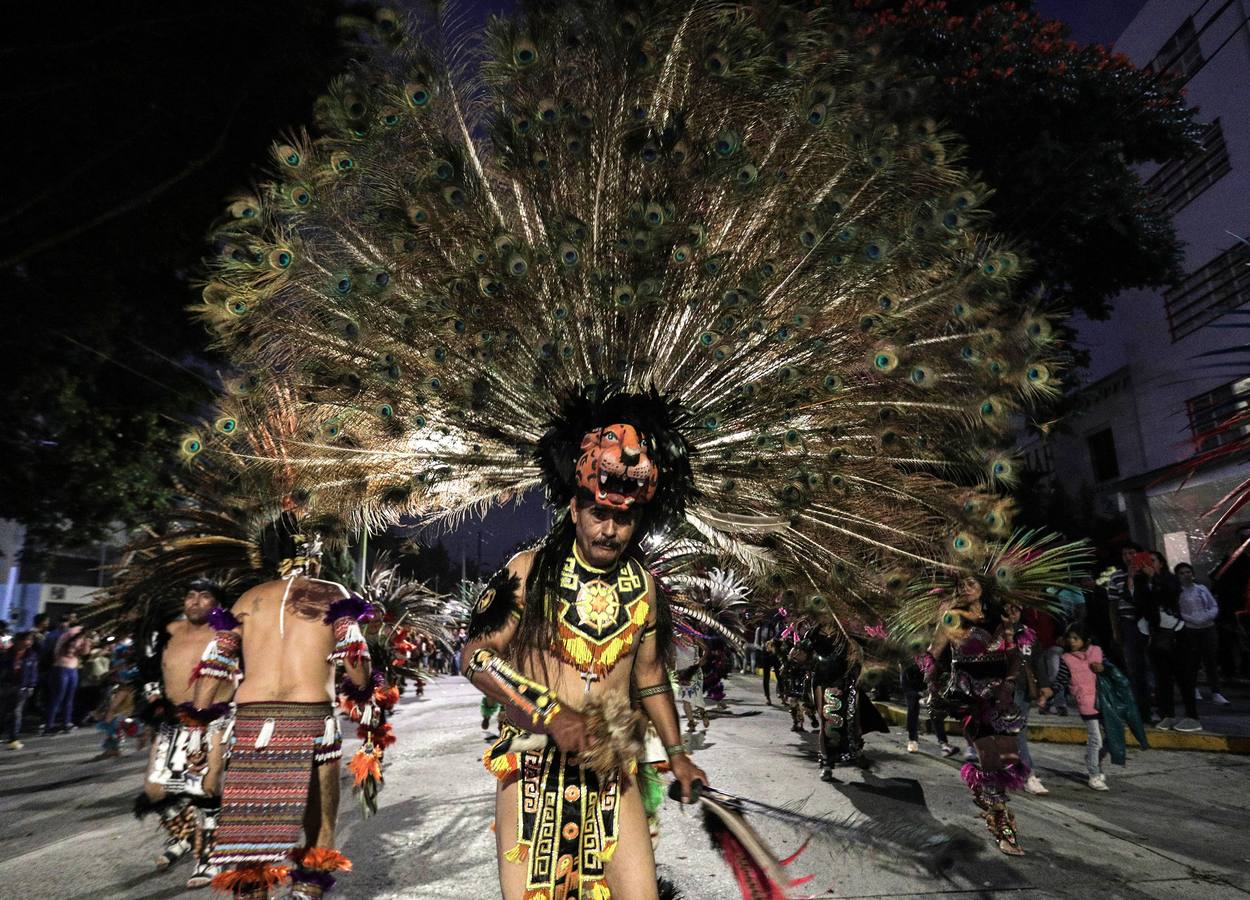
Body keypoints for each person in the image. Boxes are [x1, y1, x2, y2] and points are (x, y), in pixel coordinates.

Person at [463, 414, 707, 900]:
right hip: (533, 767)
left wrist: (678, 754)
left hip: (613, 769)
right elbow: (475, 655)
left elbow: (652, 675)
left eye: (624, 519)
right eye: (600, 514)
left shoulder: (644, 588)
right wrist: (550, 714)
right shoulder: (530, 571)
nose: (610, 531)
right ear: (575, 510)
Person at [189, 537, 373, 899]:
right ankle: (306, 891)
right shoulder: (330, 592)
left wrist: (198, 726)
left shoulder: (247, 599)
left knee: (250, 839)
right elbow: (356, 663)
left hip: (252, 722)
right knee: (319, 826)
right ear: (315, 556)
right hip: (311, 719)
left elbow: (212, 673)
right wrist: (364, 686)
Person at [135, 579, 233, 889]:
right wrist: (153, 697)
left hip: (214, 719)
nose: (195, 601)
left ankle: (209, 856)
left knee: (205, 788)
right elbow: (150, 668)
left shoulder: (228, 633)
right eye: (191, 596)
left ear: (216, 603)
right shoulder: (169, 631)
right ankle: (188, 836)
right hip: (173, 721)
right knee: (155, 791)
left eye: (204, 597)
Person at [922, 579, 1030, 856]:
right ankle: (1004, 830)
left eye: (971, 582)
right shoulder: (951, 617)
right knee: (989, 757)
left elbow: (1014, 654)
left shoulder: (999, 616)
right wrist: (932, 685)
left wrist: (1009, 682)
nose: (965, 587)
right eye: (961, 584)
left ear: (983, 586)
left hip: (1000, 696)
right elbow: (932, 655)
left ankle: (987, 795)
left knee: (1008, 758)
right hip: (967, 696)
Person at [1137, 553, 1200, 732]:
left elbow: (1171, 595)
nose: (1148, 565)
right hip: (1156, 634)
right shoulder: (1143, 582)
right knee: (1162, 678)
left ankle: (1192, 716)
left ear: (1161, 563)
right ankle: (1168, 715)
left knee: (1183, 677)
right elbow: (1140, 604)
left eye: (1153, 561)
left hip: (1176, 634)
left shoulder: (1168, 579)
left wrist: (1155, 578)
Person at [1043, 625, 1109, 791]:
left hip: (1104, 700)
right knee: (1096, 739)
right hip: (1086, 702)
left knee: (1111, 737)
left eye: (1076, 638)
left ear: (1085, 640)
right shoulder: (1067, 659)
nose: (1072, 642)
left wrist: (1103, 668)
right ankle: (1094, 774)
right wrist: (1048, 693)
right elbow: (1060, 681)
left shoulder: (1097, 651)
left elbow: (1110, 670)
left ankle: (1093, 759)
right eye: (1070, 638)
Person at [1001, 603, 1048, 796]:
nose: (1012, 614)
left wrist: (1045, 687)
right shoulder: (995, 635)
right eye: (1008, 610)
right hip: (1003, 691)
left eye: (1016, 610)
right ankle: (1023, 773)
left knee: (1018, 731)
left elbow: (1038, 660)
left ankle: (1025, 773)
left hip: (1022, 689)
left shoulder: (1029, 634)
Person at [1175, 563, 1228, 705]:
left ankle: (1216, 691)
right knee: (1192, 661)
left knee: (1210, 660)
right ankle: (1193, 688)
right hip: (1190, 628)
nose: (1186, 575)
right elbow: (1180, 611)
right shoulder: (1178, 592)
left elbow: (1213, 605)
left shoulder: (1202, 589)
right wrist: (1191, 619)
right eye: (1182, 573)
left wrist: (1208, 616)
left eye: (1188, 572)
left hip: (1207, 627)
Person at [901, 659, 956, 757]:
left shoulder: (930, 660)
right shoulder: (908, 664)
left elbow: (939, 677)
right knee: (912, 708)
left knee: (935, 710)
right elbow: (906, 686)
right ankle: (912, 740)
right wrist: (918, 694)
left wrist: (932, 690)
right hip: (913, 688)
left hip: (928, 687)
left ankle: (944, 744)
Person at [44, 621, 90, 733]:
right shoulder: (70, 635)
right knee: (58, 697)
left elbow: (84, 652)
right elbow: (63, 651)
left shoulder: (82, 638)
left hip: (72, 668)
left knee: (69, 697)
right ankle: (49, 725)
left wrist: (86, 642)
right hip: (62, 667)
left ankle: (66, 722)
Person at [1, 631, 40, 749]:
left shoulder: (31, 655)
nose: (29, 642)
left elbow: (33, 672)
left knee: (16, 712)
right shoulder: (7, 653)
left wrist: (31, 686)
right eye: (27, 639)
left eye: (31, 640)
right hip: (6, 685)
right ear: (19, 640)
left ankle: (14, 738)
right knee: (2, 711)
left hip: (21, 687)